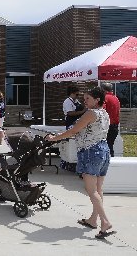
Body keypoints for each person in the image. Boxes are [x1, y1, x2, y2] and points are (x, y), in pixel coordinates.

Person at [46, 87, 114, 239]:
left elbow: (73, 131)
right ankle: (93, 219)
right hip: (103, 150)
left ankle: (105, 221)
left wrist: (53, 139)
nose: (85, 101)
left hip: (91, 152)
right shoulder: (105, 113)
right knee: (98, 189)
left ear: (97, 100)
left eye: (88, 99)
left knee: (91, 190)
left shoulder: (91, 113)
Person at [101, 83, 120, 157]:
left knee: (105, 147)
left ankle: (108, 166)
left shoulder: (105, 98)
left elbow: (101, 111)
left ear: (103, 89)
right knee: (110, 145)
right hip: (115, 125)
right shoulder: (116, 98)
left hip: (108, 126)